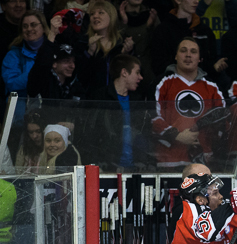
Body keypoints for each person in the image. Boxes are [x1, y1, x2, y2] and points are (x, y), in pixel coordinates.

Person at [151, 37, 226, 169]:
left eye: (193, 52)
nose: (188, 55)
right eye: (183, 51)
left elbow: (223, 116)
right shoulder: (162, 83)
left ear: (200, 58)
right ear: (175, 56)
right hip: (169, 159)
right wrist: (177, 135)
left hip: (202, 162)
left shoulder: (212, 87)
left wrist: (211, 137)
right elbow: (153, 117)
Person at [81, 53, 145, 170]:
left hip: (135, 168)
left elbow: (144, 133)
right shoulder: (100, 97)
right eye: (137, 72)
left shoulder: (138, 100)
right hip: (106, 167)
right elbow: (90, 135)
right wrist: (94, 164)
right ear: (124, 72)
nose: (140, 77)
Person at [150, 0, 223, 83]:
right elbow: (158, 65)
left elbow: (210, 62)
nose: (196, 1)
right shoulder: (163, 30)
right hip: (171, 86)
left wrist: (214, 67)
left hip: (202, 86)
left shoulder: (205, 31)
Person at [2, 10, 49, 98]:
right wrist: (36, 71)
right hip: (22, 106)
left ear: (43, 27)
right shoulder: (13, 55)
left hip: (50, 104)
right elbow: (11, 84)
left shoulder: (53, 51)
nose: (29, 29)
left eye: (33, 25)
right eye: (25, 26)